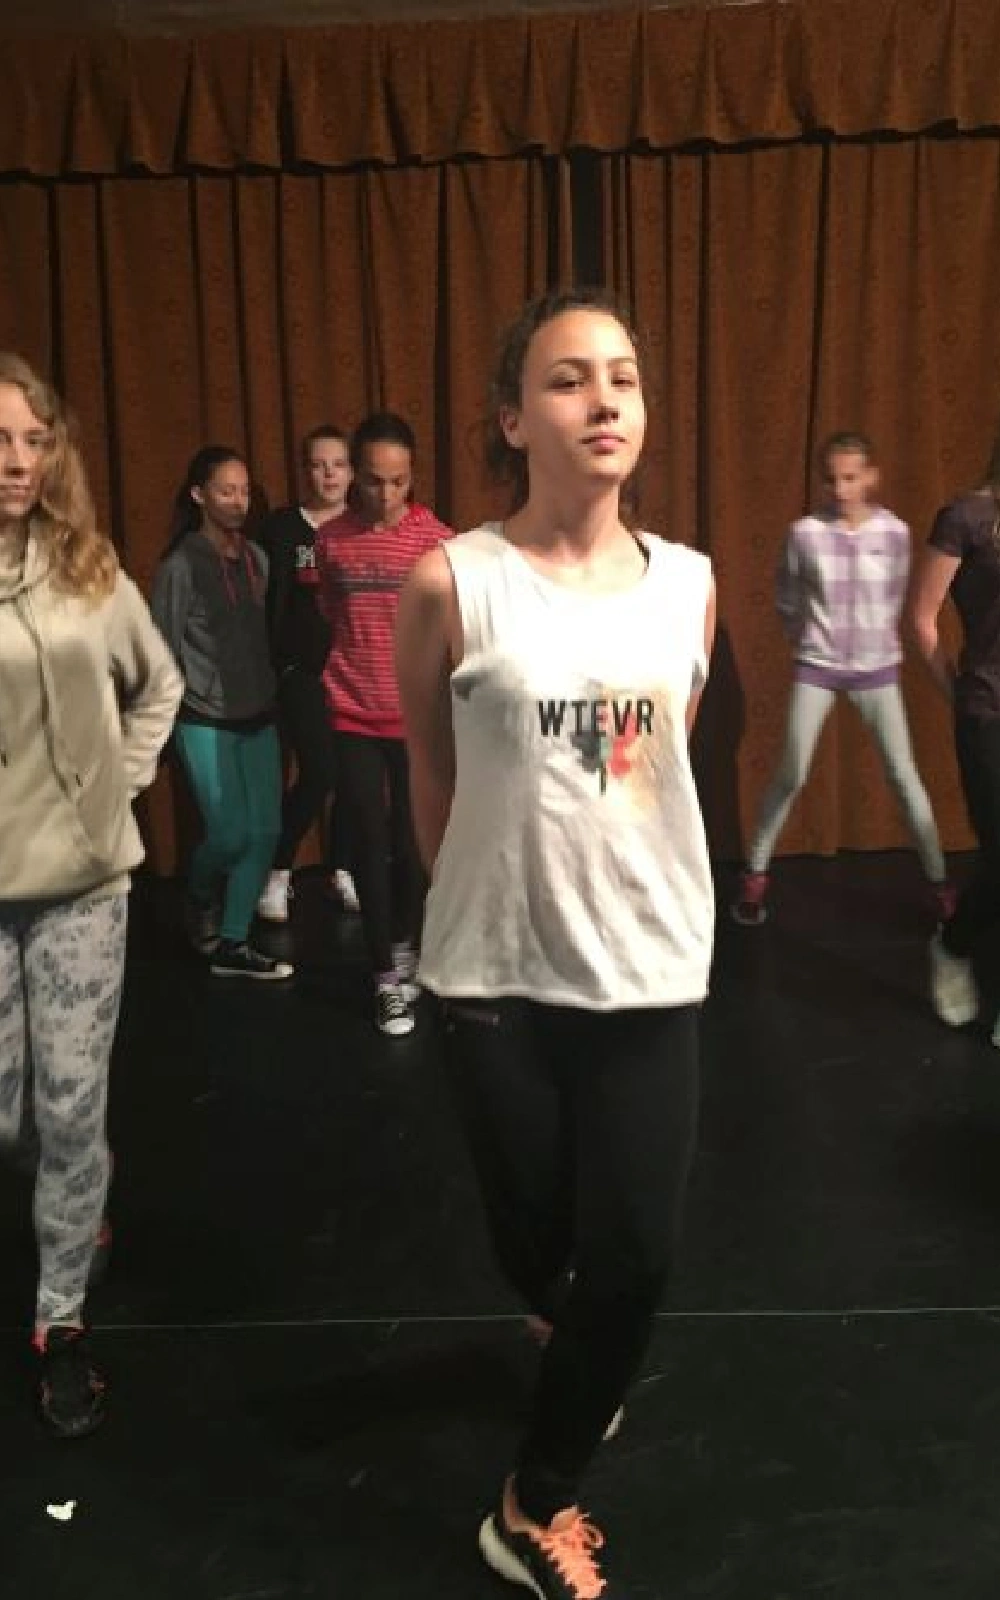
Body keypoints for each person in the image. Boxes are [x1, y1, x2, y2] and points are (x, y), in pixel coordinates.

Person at [395, 288, 715, 1599]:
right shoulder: (450, 582)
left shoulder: (689, 584)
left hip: (648, 965)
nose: (603, 402)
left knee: (633, 1255)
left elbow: (659, 768)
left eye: (622, 378)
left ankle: (533, 1499)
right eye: (569, 379)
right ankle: (566, 1331)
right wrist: (477, 900)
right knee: (536, 1240)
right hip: (494, 969)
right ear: (513, 418)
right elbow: (430, 771)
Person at [0, 352, 183, 1436]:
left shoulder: (88, 572)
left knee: (71, 1105)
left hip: (81, 884)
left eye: (33, 440)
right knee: (8, 1109)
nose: (15, 461)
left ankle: (59, 1316)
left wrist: (120, 782)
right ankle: (74, 1198)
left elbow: (158, 683)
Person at [731, 432, 953, 926]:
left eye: (851, 478)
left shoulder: (894, 534)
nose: (841, 489)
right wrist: (807, 640)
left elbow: (897, 595)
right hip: (819, 666)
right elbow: (787, 593)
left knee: (904, 776)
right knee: (791, 772)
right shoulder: (805, 533)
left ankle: (940, 884)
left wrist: (876, 644)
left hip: (877, 670)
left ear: (870, 477)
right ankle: (755, 875)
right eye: (832, 479)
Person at [315, 412, 450, 1037]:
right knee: (367, 842)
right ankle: (384, 978)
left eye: (399, 482)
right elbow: (331, 609)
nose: (387, 495)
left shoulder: (437, 541)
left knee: (414, 843)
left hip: (415, 716)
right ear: (355, 476)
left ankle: (409, 947)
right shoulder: (332, 540)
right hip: (352, 711)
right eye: (373, 481)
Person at [151, 447, 293, 981]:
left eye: (244, 490)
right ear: (199, 495)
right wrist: (156, 726)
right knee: (229, 834)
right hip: (203, 717)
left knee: (264, 833)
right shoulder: (180, 566)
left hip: (259, 712)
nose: (238, 501)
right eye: (226, 490)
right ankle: (199, 897)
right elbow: (160, 646)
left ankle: (233, 942)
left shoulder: (257, 559)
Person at [908, 437, 1000, 1036]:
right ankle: (953, 944)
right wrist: (960, 697)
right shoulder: (968, 517)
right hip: (989, 709)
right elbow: (922, 619)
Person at [256, 425, 359, 923]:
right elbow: (263, 599)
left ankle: (343, 868)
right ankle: (278, 872)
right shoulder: (281, 528)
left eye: (338, 465)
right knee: (319, 772)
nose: (329, 475)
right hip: (300, 672)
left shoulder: (363, 527)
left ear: (352, 471)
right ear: (304, 471)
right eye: (318, 465)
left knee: (356, 777)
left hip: (355, 673)